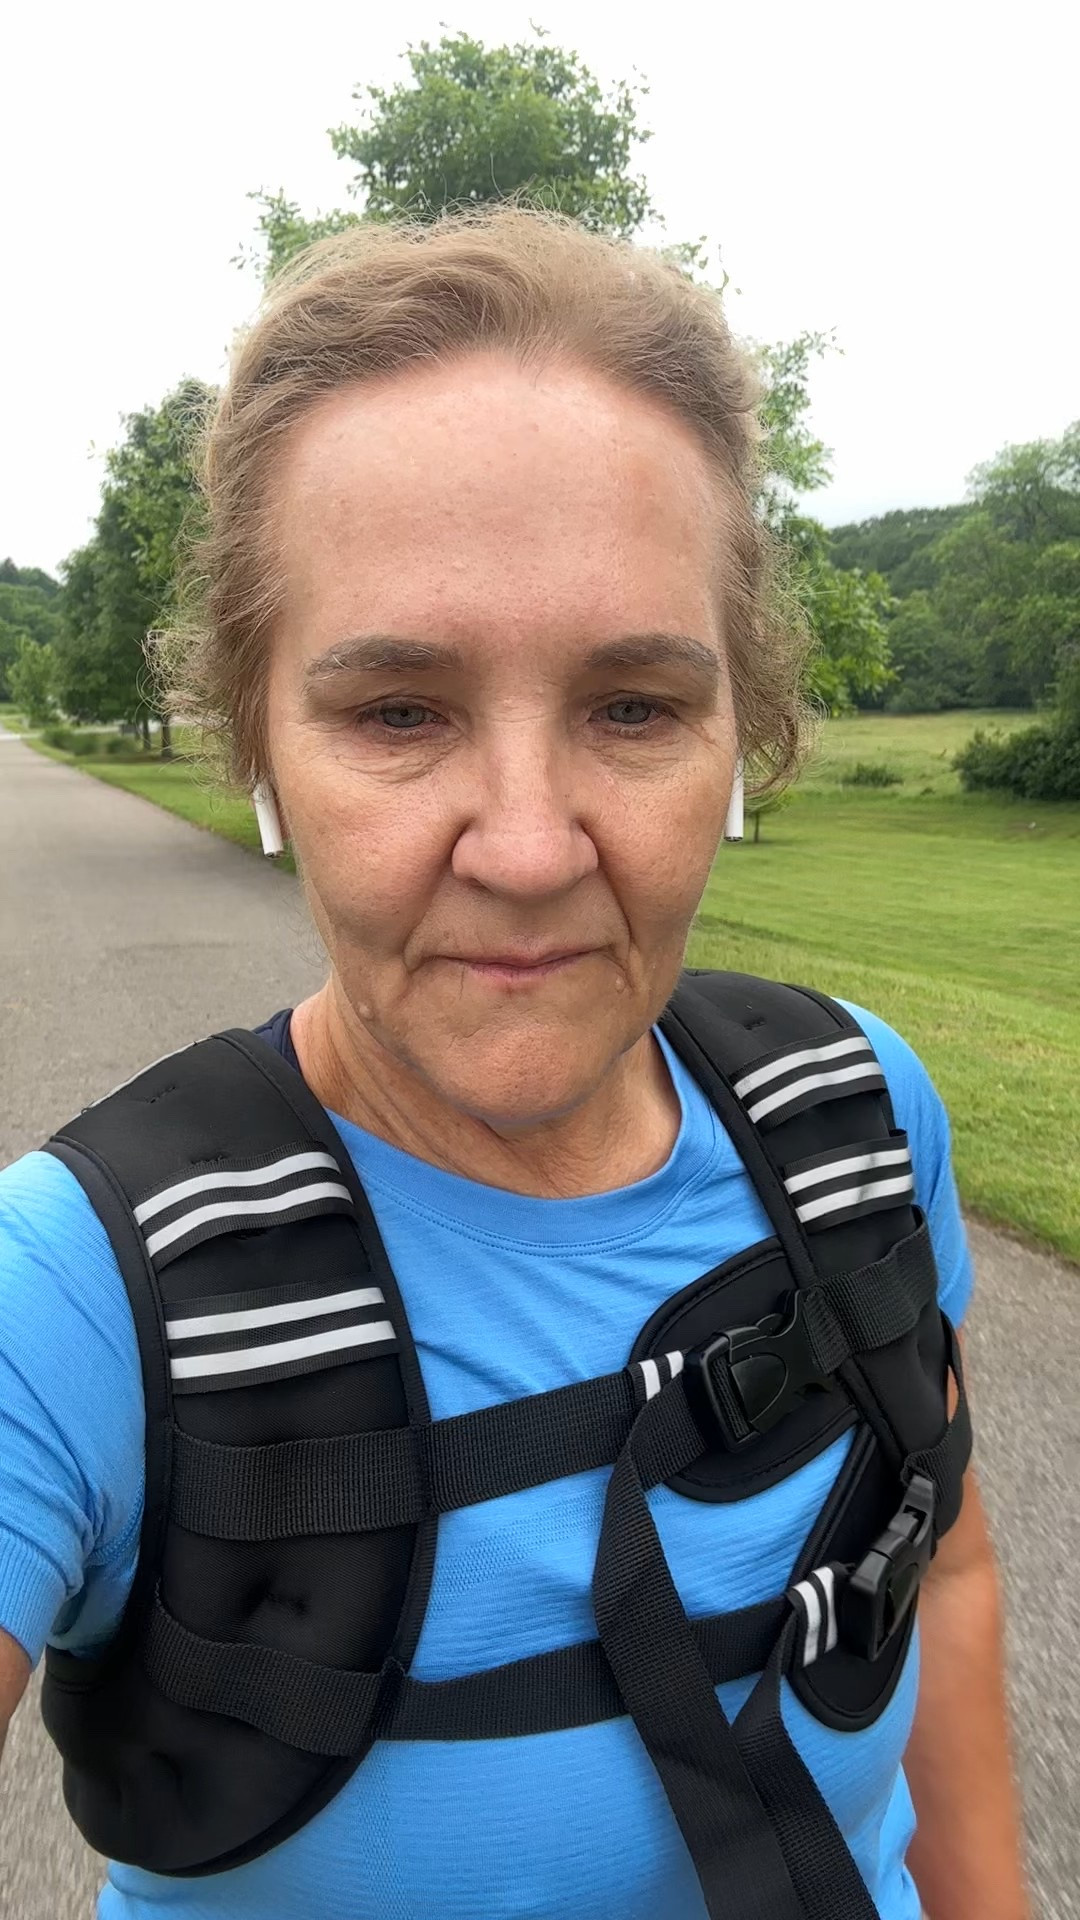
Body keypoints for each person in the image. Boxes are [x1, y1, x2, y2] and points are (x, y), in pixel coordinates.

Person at [0, 210, 1029, 1920]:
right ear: (255, 741)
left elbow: (949, 1553)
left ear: (740, 735)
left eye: (633, 707)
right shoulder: (81, 1290)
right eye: (398, 712)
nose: (534, 848)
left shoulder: (852, 1118)